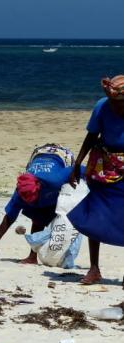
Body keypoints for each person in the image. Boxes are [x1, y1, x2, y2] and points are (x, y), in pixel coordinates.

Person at [68, 75, 124, 285]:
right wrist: (77, 163)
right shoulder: (102, 106)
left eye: (120, 104)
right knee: (95, 213)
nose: (116, 108)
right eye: (113, 103)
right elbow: (91, 136)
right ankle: (94, 268)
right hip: (104, 164)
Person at [0, 144, 75, 264]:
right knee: (37, 214)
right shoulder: (20, 190)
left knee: (55, 215)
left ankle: (37, 255)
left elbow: (80, 169)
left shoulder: (56, 180)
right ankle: (32, 257)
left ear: (39, 187)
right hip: (38, 154)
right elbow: (9, 217)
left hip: (62, 156)